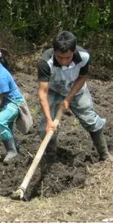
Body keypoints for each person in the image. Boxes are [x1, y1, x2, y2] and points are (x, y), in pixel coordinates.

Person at [38, 31, 112, 162]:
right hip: (53, 90)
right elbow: (43, 93)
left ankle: (104, 155)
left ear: (74, 51)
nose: (64, 61)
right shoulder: (45, 61)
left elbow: (82, 77)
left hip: (76, 89)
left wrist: (68, 98)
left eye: (68, 57)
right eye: (60, 57)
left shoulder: (83, 56)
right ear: (54, 51)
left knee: (90, 119)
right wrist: (50, 120)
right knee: (46, 128)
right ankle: (50, 155)